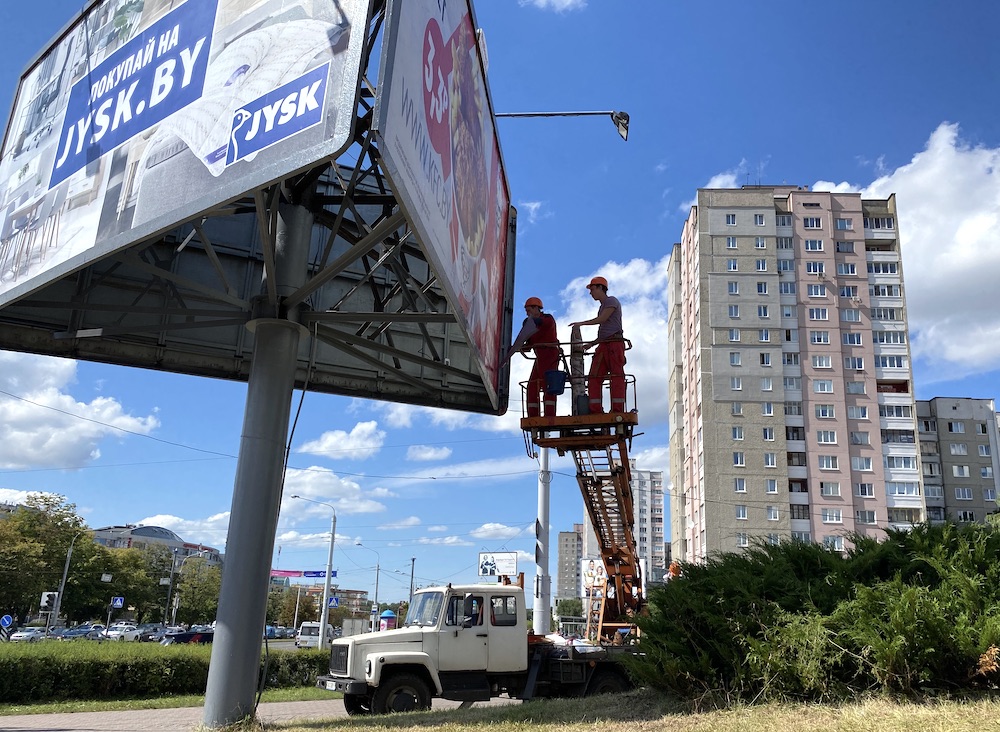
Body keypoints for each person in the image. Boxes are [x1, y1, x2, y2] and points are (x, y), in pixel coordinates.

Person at [569, 276, 625, 414]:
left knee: (616, 376)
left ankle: (617, 409)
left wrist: (581, 323)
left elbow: (603, 319)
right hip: (604, 344)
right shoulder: (603, 306)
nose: (590, 293)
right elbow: (604, 332)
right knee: (594, 377)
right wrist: (591, 344)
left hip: (614, 344)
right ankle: (595, 410)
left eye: (592, 289)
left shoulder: (611, 301)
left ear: (601, 288)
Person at [505, 296, 560, 417]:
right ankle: (533, 416)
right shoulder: (531, 325)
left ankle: (549, 415)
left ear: (537, 308)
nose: (527, 313)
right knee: (532, 386)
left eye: (529, 310)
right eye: (526, 311)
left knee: (548, 386)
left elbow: (543, 324)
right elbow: (528, 346)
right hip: (540, 358)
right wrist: (515, 348)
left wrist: (529, 323)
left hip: (550, 355)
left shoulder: (548, 319)